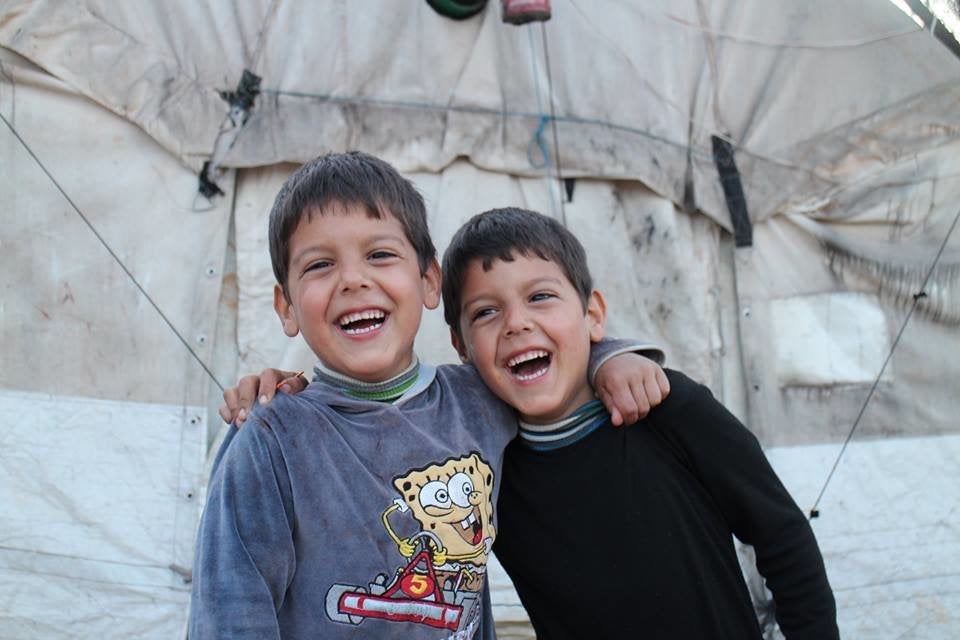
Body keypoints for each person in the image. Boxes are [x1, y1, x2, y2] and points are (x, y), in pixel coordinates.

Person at [189, 152, 668, 639]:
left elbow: (545, 358)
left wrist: (612, 358)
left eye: (379, 255)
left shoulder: (477, 403)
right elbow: (231, 612)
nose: (353, 279)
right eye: (320, 264)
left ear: (429, 281)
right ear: (286, 306)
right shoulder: (272, 440)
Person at [442, 207, 839, 639]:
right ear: (461, 346)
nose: (516, 323)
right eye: (485, 312)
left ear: (593, 315)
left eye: (540, 297)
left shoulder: (669, 409)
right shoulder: (480, 472)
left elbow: (782, 536)